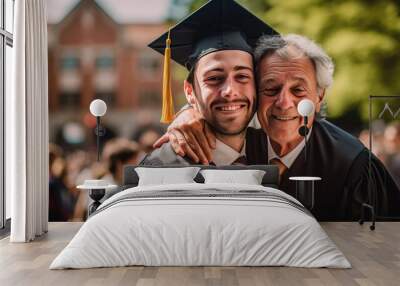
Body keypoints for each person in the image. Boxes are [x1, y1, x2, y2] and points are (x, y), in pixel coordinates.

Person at [159, 34, 400, 221]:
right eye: (271, 89)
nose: (284, 103)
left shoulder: (352, 164)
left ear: (319, 96)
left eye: (298, 90)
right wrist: (187, 112)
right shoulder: (235, 137)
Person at [141, 0, 277, 166]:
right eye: (214, 78)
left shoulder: (278, 150)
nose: (230, 91)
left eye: (242, 76)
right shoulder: (163, 165)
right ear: (190, 92)